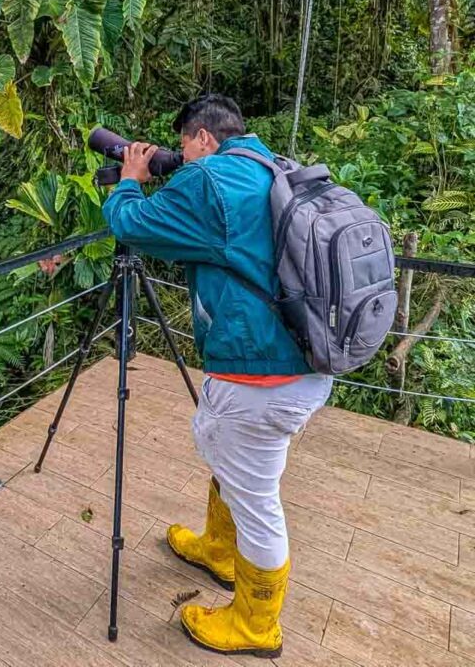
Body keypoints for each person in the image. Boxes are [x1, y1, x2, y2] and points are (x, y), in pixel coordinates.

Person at [102, 94, 332, 658]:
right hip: (300, 362)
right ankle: (219, 550)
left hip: (260, 373)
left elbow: (130, 225)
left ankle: (255, 625)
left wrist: (130, 176)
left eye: (183, 143)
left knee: (257, 500)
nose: (181, 154)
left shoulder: (210, 182)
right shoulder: (276, 167)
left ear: (204, 138)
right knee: (233, 459)